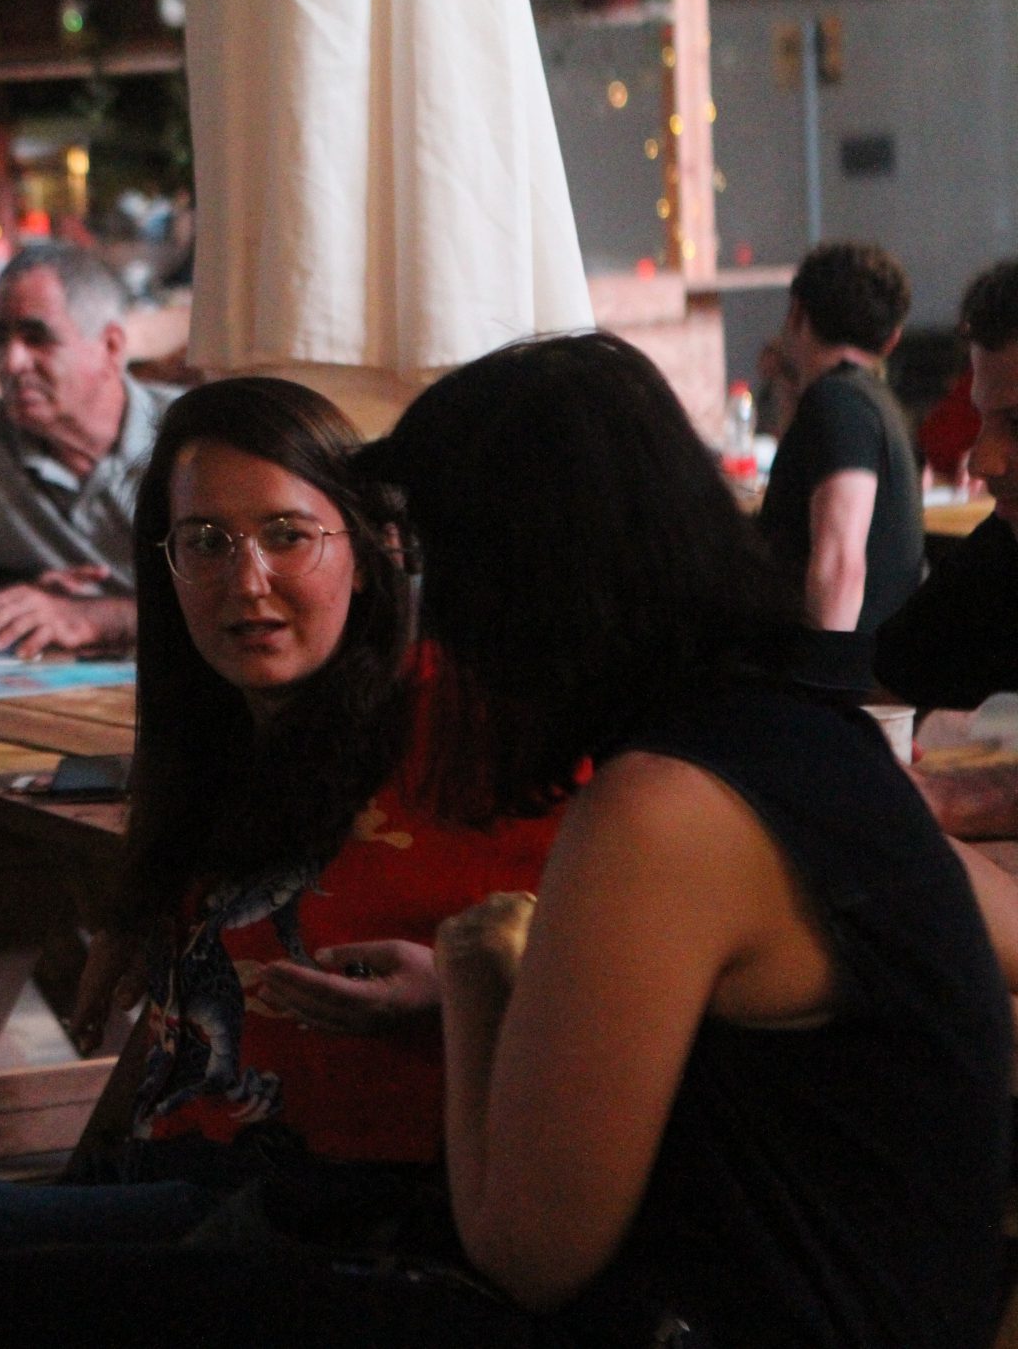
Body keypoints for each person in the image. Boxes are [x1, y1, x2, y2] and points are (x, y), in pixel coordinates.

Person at [0, 376, 566, 1348]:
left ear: (368, 549)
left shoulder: (472, 735)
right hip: (172, 1192)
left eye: (287, 534)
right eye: (205, 542)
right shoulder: (219, 740)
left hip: (336, 1225)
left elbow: (616, 972)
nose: (246, 580)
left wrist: (447, 990)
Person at [350, 332, 1014, 1345]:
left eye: (433, 566)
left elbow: (525, 1251)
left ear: (513, 583)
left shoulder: (660, 806)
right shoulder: (804, 737)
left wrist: (476, 972)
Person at [0, 241, 179, 657]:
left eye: (37, 338)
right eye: (1, 340)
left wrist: (99, 618)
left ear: (111, 347)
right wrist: (13, 593)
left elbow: (243, 599)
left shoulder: (190, 439)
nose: (11, 362)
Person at [876, 258, 1018, 835]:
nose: (983, 462)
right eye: (983, 420)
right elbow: (884, 689)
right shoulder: (1002, 554)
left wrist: (971, 799)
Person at [755, 241, 922, 657]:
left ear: (796, 313)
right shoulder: (874, 402)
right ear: (892, 340)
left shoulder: (840, 402)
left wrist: (821, 683)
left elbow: (840, 564)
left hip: (841, 674)